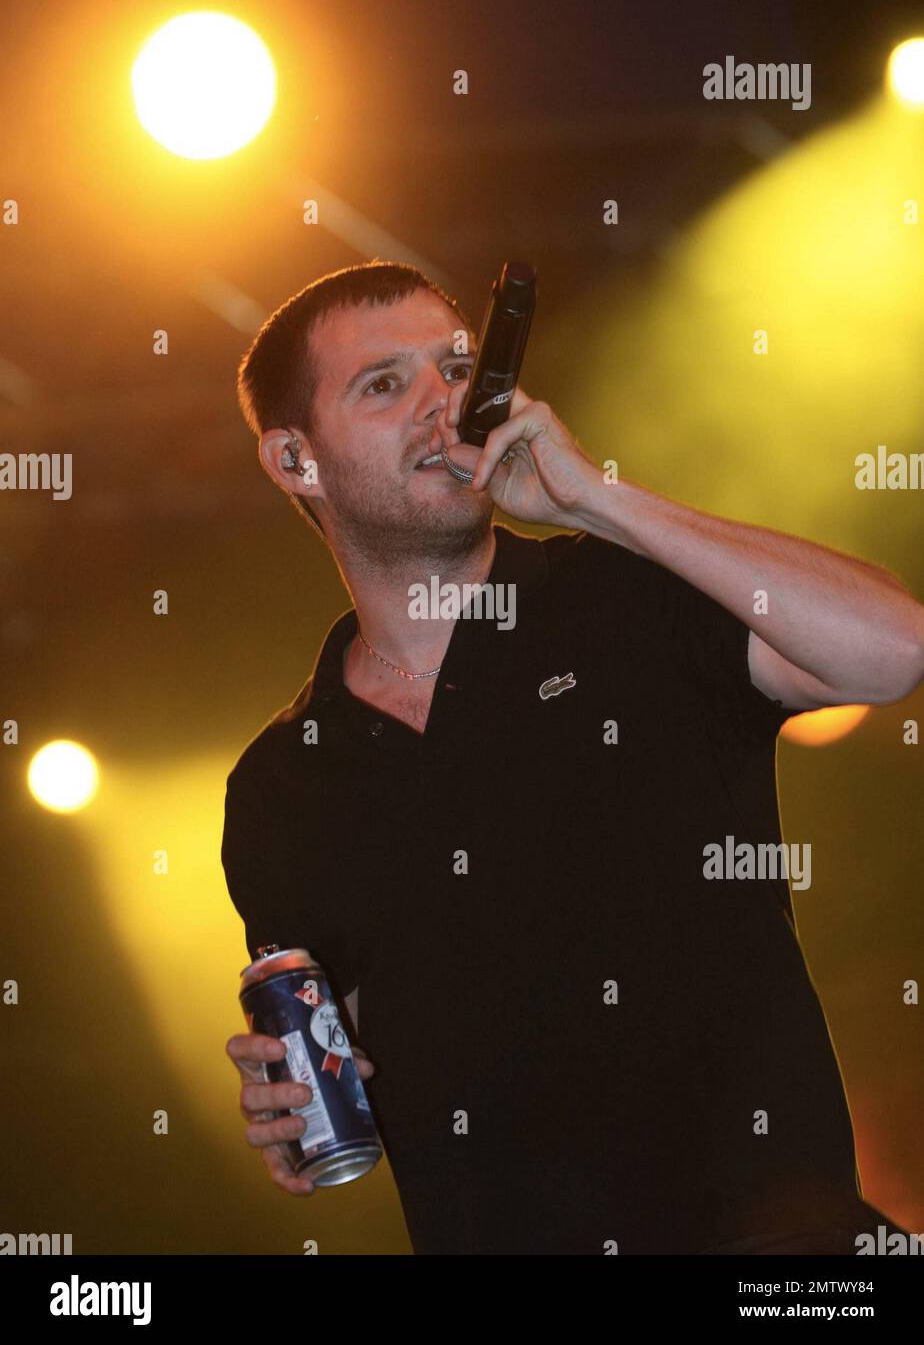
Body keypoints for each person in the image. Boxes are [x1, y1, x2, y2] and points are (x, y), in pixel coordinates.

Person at [222, 260, 924, 1254]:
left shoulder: (627, 600)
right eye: (385, 384)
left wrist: (595, 499)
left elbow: (896, 647)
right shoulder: (280, 787)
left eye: (459, 368)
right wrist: (289, 1112)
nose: (445, 403)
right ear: (295, 458)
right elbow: (339, 1063)